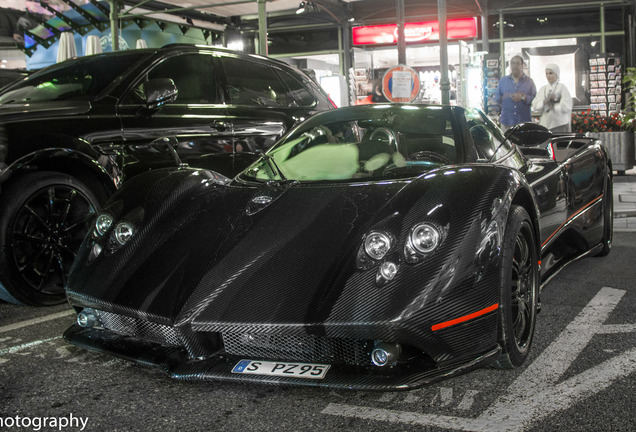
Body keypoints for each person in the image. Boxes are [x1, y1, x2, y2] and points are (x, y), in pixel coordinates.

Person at [496, 55, 536, 131]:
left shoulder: (529, 82)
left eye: (518, 63)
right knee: (506, 143)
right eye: (512, 63)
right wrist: (507, 97)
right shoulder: (503, 81)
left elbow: (534, 99)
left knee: (523, 142)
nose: (515, 65)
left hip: (524, 122)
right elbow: (497, 99)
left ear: (522, 65)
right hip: (506, 121)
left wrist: (523, 97)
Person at [532, 63, 573, 133]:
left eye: (550, 73)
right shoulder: (543, 89)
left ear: (556, 74)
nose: (548, 76)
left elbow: (567, 106)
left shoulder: (562, 88)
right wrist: (546, 101)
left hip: (560, 124)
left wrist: (554, 106)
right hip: (545, 124)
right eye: (546, 73)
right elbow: (535, 105)